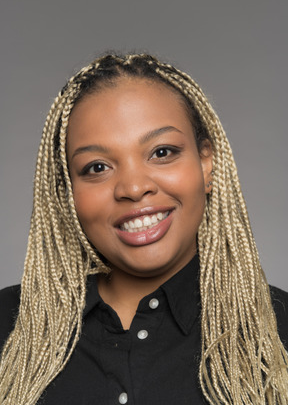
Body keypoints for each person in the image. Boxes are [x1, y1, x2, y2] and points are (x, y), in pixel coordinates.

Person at [0, 53, 287, 405]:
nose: (133, 188)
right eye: (97, 167)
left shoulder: (279, 331)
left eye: (162, 152)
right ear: (67, 194)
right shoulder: (8, 327)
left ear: (206, 163)